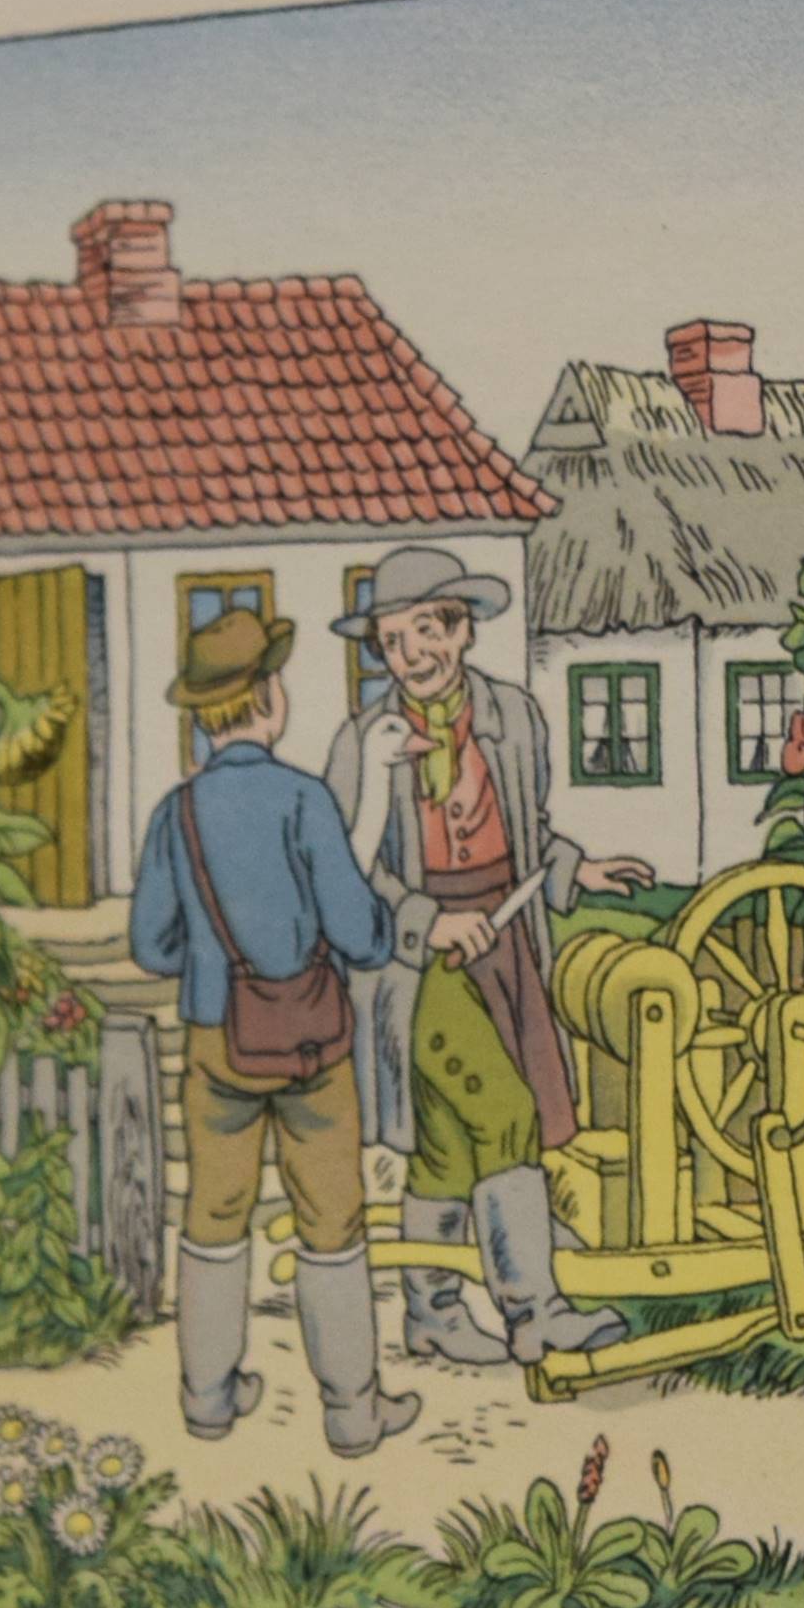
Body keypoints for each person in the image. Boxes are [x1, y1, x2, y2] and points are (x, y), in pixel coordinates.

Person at [317, 545, 652, 1367]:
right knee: (503, 1113)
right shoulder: (363, 741)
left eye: (427, 632)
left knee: (447, 1143)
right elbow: (347, 871)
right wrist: (427, 922)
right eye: (393, 642)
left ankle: (430, 1312)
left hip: (506, 942)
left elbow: (527, 832)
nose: (411, 656)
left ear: (463, 629)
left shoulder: (514, 716)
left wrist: (577, 869)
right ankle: (534, 1312)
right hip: (418, 968)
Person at [126, 607, 416, 1455]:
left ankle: (208, 1396)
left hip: (215, 1039)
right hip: (310, 1044)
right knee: (332, 1220)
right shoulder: (304, 799)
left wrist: (210, 959)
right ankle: (352, 1409)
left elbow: (149, 945)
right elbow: (362, 936)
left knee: (213, 1214)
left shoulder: (175, 813)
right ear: (267, 698)